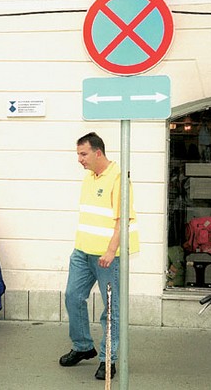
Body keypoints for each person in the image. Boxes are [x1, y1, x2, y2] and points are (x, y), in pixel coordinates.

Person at [59, 132, 139, 381]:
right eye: (78, 154)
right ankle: (83, 346)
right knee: (73, 297)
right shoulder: (89, 178)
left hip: (107, 256)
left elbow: (122, 219)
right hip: (82, 252)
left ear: (98, 153)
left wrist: (111, 250)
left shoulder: (118, 177)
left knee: (111, 309)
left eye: (83, 154)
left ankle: (108, 359)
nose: (79, 159)